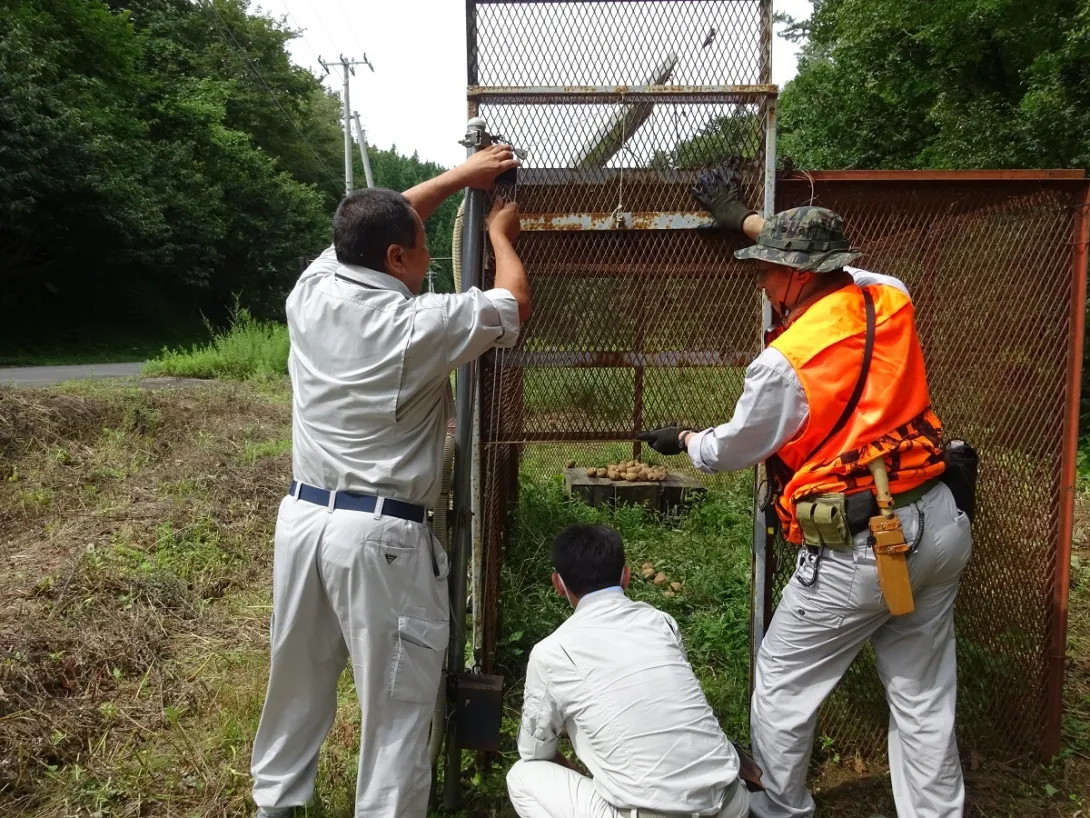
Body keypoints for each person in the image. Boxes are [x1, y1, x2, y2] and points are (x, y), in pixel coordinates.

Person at [638, 167, 973, 818]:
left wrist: (684, 439)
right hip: (939, 516)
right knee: (924, 697)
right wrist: (745, 220)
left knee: (783, 690)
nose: (760, 279)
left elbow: (737, 447)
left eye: (765, 268)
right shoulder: (891, 297)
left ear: (794, 275)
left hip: (862, 549)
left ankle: (780, 811)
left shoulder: (786, 360)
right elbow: (841, 265)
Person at [249, 143, 530, 818]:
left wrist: (464, 176)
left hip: (303, 522)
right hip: (380, 537)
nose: (430, 255)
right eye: (422, 247)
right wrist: (497, 234)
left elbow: (394, 213)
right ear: (395, 260)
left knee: (296, 680)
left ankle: (275, 806)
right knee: (398, 703)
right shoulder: (417, 324)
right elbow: (513, 301)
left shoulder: (311, 290)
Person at [506, 523, 751, 818]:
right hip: (733, 802)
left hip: (653, 813)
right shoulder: (660, 621)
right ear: (626, 575)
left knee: (522, 776)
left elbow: (535, 752)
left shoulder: (551, 652)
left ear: (558, 584)